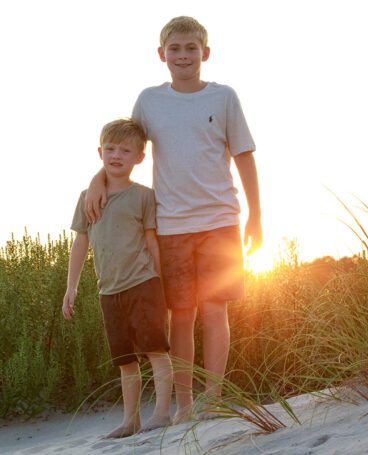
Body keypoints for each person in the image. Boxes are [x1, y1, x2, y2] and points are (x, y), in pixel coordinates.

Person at [84, 16, 262, 423]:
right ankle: (184, 407)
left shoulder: (224, 98)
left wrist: (256, 216)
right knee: (181, 313)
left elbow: (244, 156)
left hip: (221, 219)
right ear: (162, 54)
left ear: (206, 53)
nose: (183, 56)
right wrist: (98, 179)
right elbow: (125, 147)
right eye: (175, 49)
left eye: (191, 48)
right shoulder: (149, 100)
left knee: (216, 309)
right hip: (172, 223)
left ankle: (212, 398)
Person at [63, 119, 174, 438]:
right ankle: (130, 421)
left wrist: (162, 285)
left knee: (156, 351)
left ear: (139, 158)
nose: (116, 155)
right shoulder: (88, 196)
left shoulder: (143, 196)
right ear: (100, 152)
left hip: (144, 285)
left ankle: (163, 413)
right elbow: (80, 242)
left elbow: (152, 241)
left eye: (125, 150)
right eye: (110, 148)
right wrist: (70, 287)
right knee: (126, 361)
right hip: (108, 291)